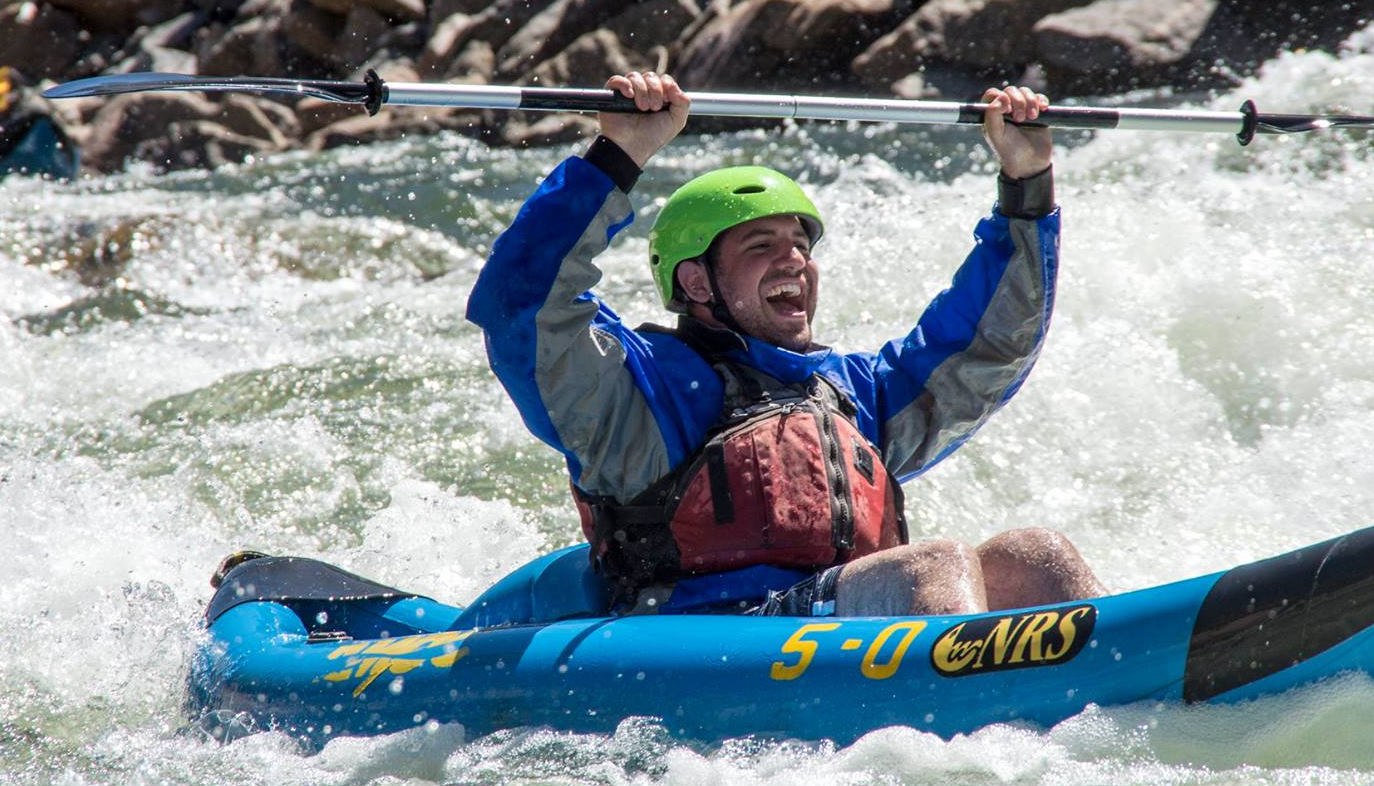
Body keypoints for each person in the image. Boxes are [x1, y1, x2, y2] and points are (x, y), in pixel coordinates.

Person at [468, 70, 1105, 619]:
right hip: (706, 633)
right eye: (761, 247)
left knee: (1038, 557)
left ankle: (1127, 689)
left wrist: (1028, 186)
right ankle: (976, 702)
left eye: (801, 246)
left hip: (836, 624)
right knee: (933, 567)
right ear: (696, 281)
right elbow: (521, 305)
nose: (794, 261)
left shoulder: (858, 395)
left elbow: (991, 342)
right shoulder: (634, 391)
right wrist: (616, 156)